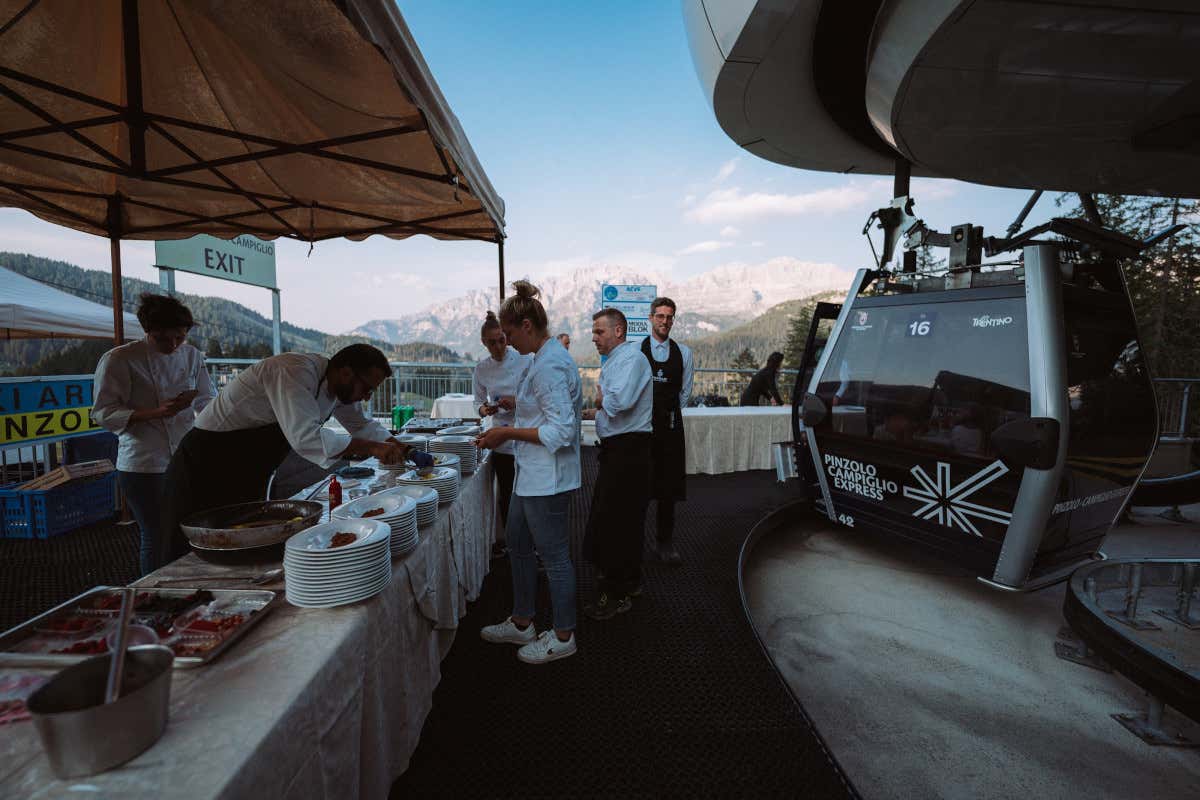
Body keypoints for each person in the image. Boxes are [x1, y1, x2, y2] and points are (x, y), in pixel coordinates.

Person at [160, 344, 424, 566]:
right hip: (205, 464)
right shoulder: (293, 372)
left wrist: (402, 448)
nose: (366, 397)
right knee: (188, 552)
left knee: (241, 546)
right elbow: (305, 437)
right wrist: (372, 448)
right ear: (345, 372)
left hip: (247, 467)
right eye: (367, 389)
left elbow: (361, 424)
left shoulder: (336, 386)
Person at [477, 280, 582, 664]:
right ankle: (523, 621)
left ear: (525, 326)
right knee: (518, 541)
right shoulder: (542, 358)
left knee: (554, 555)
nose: (506, 342)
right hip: (530, 473)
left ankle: (564, 634)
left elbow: (561, 430)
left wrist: (505, 430)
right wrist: (514, 402)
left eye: (508, 334)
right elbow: (543, 403)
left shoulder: (550, 365)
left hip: (548, 477)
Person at [92, 294, 216, 576]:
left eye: (179, 337)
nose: (172, 345)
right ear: (147, 331)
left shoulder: (193, 356)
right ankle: (153, 594)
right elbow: (103, 412)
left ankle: (186, 589)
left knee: (189, 530)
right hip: (143, 462)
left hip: (185, 456)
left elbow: (207, 400)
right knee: (156, 535)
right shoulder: (120, 359)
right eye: (162, 338)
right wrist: (156, 413)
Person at [581, 307, 653, 618]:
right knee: (621, 519)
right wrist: (597, 410)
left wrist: (600, 400)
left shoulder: (633, 359)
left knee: (616, 523)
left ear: (619, 331)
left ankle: (616, 594)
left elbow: (620, 403)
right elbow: (614, 407)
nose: (593, 337)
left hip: (630, 452)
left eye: (599, 331)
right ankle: (630, 581)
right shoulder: (615, 362)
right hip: (619, 449)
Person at [473, 310, 533, 559]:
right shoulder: (482, 369)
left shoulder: (525, 359)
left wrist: (516, 402)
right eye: (492, 343)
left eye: (501, 340)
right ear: (484, 343)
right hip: (501, 439)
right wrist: (485, 408)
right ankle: (513, 544)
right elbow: (477, 404)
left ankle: (533, 544)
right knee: (507, 494)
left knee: (529, 493)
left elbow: (536, 397)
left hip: (525, 434)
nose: (498, 347)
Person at [641, 296, 694, 565]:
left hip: (670, 428)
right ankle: (634, 540)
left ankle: (665, 541)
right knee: (638, 485)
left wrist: (668, 413)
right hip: (640, 428)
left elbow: (685, 392)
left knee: (668, 489)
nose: (665, 321)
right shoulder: (636, 350)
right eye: (660, 316)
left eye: (669, 317)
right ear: (651, 318)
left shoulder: (684, 352)